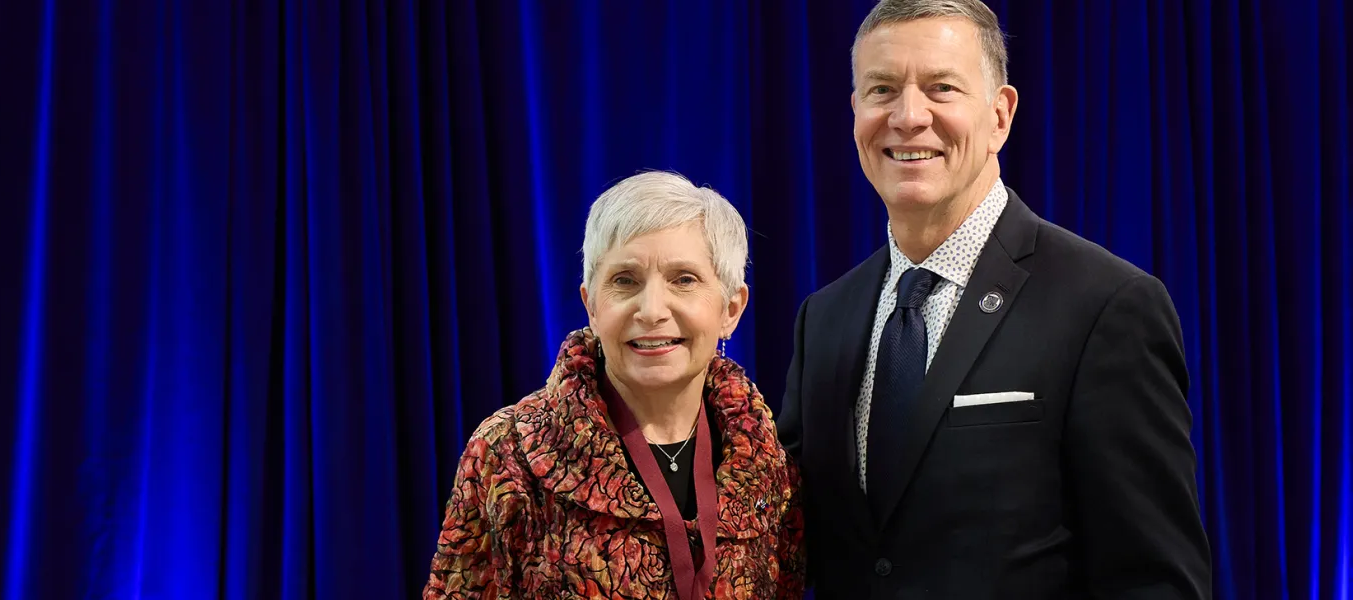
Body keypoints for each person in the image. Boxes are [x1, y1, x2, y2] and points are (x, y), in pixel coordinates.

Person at [775, 1, 1212, 598]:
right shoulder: (823, 319)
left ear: (1000, 116)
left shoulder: (1106, 306)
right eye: (881, 90)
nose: (908, 116)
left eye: (941, 88)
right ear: (854, 113)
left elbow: (1156, 580)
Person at [424, 170, 806, 599]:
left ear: (730, 309)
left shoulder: (767, 467)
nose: (652, 310)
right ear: (591, 305)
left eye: (684, 279)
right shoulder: (508, 453)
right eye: (625, 281)